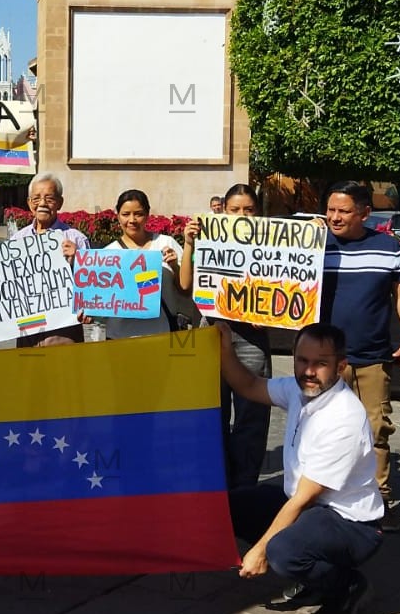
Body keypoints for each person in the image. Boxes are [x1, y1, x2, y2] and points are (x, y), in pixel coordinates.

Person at [219, 321, 383, 613]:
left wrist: (259, 551)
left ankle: (346, 584)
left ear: (341, 366)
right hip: (310, 507)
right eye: (302, 360)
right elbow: (248, 385)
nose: (309, 371)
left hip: (350, 522)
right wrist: (225, 347)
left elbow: (304, 497)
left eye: (320, 363)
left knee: (282, 552)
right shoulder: (299, 390)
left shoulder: (343, 417)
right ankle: (314, 577)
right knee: (232, 505)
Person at [320, 181, 400, 532]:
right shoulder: (313, 246)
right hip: (322, 359)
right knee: (324, 432)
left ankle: (379, 500)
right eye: (330, 209)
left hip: (372, 356)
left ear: (365, 213)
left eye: (343, 211)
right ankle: (325, 500)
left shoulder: (388, 247)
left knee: (375, 431)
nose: (334, 217)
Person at [181, 184, 272, 489]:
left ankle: (244, 488)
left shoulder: (274, 244)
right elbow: (186, 284)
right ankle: (216, 486)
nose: (242, 216)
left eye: (248, 209)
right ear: (222, 211)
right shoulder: (206, 239)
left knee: (252, 416)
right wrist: (190, 244)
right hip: (213, 332)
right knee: (212, 413)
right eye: (235, 210)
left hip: (252, 339)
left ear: (257, 212)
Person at [0, 172, 91, 346]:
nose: (42, 203)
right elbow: (3, 283)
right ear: (29, 203)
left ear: (60, 203)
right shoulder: (17, 241)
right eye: (36, 198)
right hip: (26, 333)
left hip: (64, 333)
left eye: (49, 198)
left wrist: (79, 262)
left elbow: (93, 286)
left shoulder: (76, 239)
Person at [101, 189, 190, 339]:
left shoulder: (166, 243)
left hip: (161, 334)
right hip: (119, 337)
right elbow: (100, 299)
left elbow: (185, 289)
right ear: (117, 216)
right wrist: (89, 312)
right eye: (125, 214)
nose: (132, 220)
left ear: (147, 215)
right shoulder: (107, 254)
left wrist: (175, 265)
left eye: (138, 214)